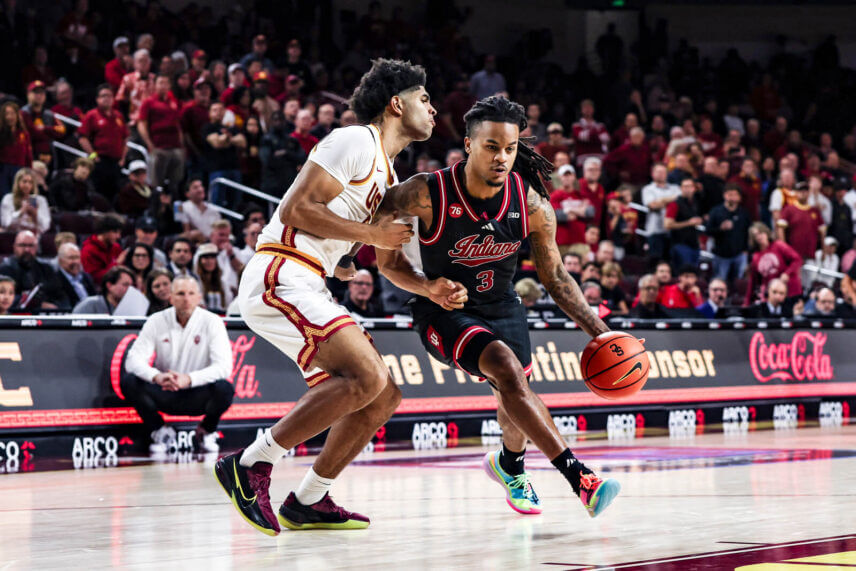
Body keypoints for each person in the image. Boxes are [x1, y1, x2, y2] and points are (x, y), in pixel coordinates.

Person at [217, 59, 449, 536]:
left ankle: (308, 499)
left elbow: (366, 251)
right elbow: (296, 208)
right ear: (396, 102)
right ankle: (250, 463)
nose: (432, 108)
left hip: (308, 276)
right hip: (281, 270)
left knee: (381, 397)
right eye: (424, 98)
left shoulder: (385, 172)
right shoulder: (354, 140)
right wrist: (368, 233)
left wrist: (422, 284)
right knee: (367, 375)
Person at [377, 96, 622, 522]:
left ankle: (510, 465)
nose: (502, 157)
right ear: (469, 144)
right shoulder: (423, 193)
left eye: (509, 148)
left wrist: (600, 332)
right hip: (443, 311)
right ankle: (580, 478)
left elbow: (558, 279)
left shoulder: (532, 204)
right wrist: (426, 286)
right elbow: (386, 260)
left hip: (503, 306)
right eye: (491, 146)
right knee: (506, 370)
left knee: (514, 395)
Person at [123, 275, 234, 453]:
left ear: (199, 297)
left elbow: (224, 367)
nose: (186, 299)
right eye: (181, 293)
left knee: (224, 389)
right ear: (171, 298)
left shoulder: (212, 321)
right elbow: (133, 360)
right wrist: (156, 376)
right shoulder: (156, 320)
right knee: (129, 382)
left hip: (198, 392)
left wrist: (189, 379)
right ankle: (160, 431)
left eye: (191, 293)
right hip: (166, 389)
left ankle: (207, 429)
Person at [78, 84, 129, 202]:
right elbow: (82, 138)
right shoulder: (92, 115)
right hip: (100, 161)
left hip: (116, 162)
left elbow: (125, 138)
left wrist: (123, 158)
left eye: (110, 96)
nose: (107, 98)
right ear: (97, 99)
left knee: (116, 192)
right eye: (103, 96)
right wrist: (93, 156)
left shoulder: (118, 116)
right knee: (99, 192)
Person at [138, 73, 185, 197]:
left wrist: (181, 145)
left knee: (175, 182)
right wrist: (149, 144)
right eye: (160, 83)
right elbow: (142, 124)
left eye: (165, 83)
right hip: (158, 147)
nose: (163, 86)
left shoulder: (173, 102)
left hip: (175, 147)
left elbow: (178, 125)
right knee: (156, 183)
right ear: (155, 85)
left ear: (169, 86)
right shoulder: (148, 102)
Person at [746, 222, 802, 305]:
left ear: (766, 233)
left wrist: (787, 273)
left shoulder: (778, 245)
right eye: (755, 236)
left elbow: (797, 259)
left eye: (760, 233)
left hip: (790, 290)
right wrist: (747, 302)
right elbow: (753, 281)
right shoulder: (756, 256)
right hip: (772, 294)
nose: (758, 237)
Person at [707, 183, 750, 283]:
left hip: (739, 254)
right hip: (721, 255)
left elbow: (747, 233)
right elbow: (708, 231)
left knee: (738, 282)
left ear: (739, 197)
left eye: (735, 195)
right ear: (724, 195)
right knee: (720, 281)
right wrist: (720, 229)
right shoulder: (716, 211)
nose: (732, 197)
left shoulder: (743, 213)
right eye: (729, 194)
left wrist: (746, 250)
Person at [0, 230, 57, 306]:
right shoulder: (5, 269)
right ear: (14, 247)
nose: (27, 250)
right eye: (22, 245)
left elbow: (59, 294)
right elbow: (7, 298)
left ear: (36, 247)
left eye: (31, 245)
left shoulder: (46, 268)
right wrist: (39, 304)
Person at [260, 110, 307, 198]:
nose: (278, 122)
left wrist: (286, 153)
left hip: (289, 183)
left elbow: (302, 158)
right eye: (276, 120)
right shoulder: (266, 139)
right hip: (272, 184)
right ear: (271, 122)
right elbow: (267, 160)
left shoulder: (291, 140)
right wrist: (290, 158)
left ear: (284, 122)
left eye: (281, 120)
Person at [641, 163, 680, 260]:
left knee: (671, 262)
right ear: (652, 174)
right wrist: (672, 200)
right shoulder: (648, 189)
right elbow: (652, 205)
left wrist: (662, 201)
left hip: (673, 231)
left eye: (663, 172)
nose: (661, 174)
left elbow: (680, 203)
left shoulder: (675, 188)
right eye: (658, 172)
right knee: (655, 260)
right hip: (654, 230)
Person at [777, 183, 825, 260]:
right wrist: (784, 250)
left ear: (809, 193)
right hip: (794, 255)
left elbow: (822, 232)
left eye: (805, 191)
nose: (803, 193)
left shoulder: (815, 211)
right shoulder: (789, 209)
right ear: (796, 193)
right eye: (800, 191)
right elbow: (780, 229)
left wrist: (824, 251)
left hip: (811, 254)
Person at [43, 243, 96, 310]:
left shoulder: (86, 277)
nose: (76, 262)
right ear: (60, 260)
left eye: (77, 257)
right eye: (71, 258)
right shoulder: (53, 281)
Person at [664, 177, 702, 267]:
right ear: (680, 189)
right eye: (684, 186)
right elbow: (667, 224)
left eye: (689, 186)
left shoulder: (695, 203)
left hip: (694, 244)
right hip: (680, 244)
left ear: (694, 188)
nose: (687, 189)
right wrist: (689, 223)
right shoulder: (675, 204)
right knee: (684, 270)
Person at [1, 168, 50, 235]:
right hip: (13, 235)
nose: (27, 185)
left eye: (30, 182)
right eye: (24, 181)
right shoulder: (8, 198)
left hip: (34, 236)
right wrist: (21, 212)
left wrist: (35, 215)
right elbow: (6, 224)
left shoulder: (40, 200)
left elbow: (45, 227)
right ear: (18, 182)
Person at [81, 214, 125, 286]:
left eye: (119, 232)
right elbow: (94, 279)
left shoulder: (116, 247)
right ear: (104, 231)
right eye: (115, 232)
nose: (118, 236)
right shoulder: (88, 251)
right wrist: (117, 264)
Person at [0, 101, 33, 196]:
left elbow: (28, 155)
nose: (10, 117)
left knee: (18, 196)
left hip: (20, 170)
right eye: (7, 114)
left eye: (12, 113)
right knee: (5, 196)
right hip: (3, 170)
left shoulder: (24, 134)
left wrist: (29, 172)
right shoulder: (1, 133)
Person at [195, 243, 228, 314]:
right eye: (206, 257)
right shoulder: (196, 282)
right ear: (200, 261)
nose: (209, 261)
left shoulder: (222, 283)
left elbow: (227, 303)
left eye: (212, 257)